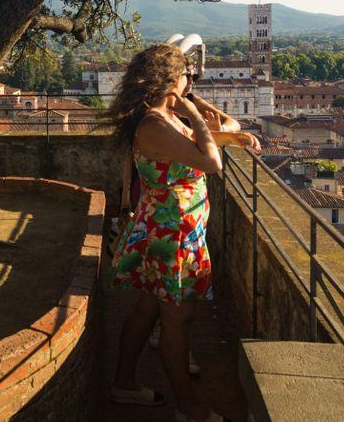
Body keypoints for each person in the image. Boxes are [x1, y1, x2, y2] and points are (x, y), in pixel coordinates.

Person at [107, 44, 259, 422]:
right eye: (187, 75)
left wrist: (225, 133)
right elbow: (209, 161)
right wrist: (192, 110)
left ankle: (124, 383)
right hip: (169, 236)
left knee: (145, 311)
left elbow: (205, 139)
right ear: (169, 80)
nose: (191, 81)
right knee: (178, 321)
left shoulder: (161, 117)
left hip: (168, 230)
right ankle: (190, 408)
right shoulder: (154, 124)